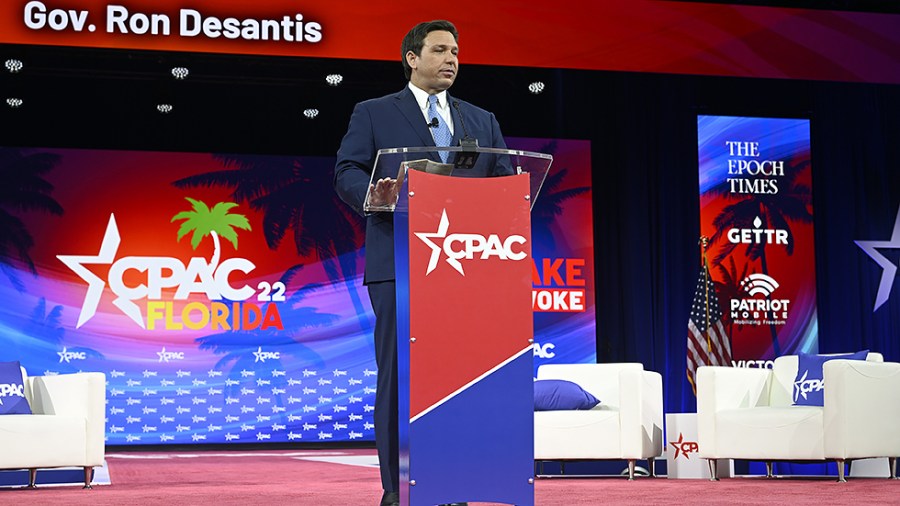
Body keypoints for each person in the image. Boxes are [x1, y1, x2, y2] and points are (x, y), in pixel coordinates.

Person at [333, 20, 511, 506]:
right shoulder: (373, 113)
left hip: (467, 266)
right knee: (399, 374)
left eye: (455, 51)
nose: (451, 58)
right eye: (439, 50)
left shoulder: (481, 119)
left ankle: (453, 481)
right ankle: (399, 488)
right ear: (412, 58)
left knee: (458, 376)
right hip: (398, 261)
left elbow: (505, 184)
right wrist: (373, 195)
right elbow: (347, 169)